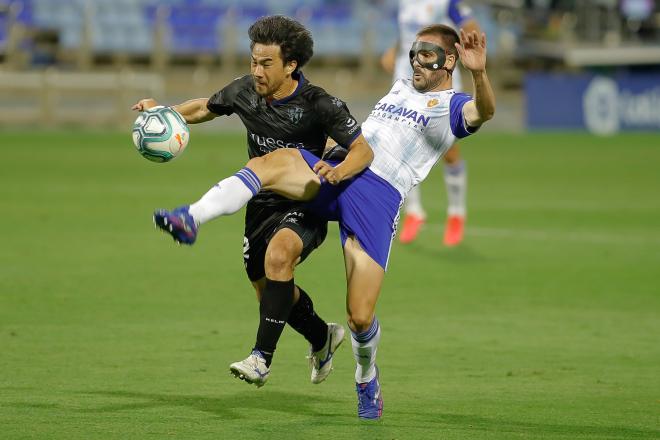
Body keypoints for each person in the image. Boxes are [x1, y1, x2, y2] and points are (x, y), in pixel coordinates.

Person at [156, 25, 494, 420]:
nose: (416, 61)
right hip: (337, 168)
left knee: (360, 316)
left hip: (378, 197)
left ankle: (366, 376)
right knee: (269, 163)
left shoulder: (453, 105)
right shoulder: (402, 86)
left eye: (426, 54)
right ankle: (190, 217)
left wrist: (480, 74)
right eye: (413, 52)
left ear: (449, 61)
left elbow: (483, 112)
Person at [133, 16, 374, 387]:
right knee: (270, 292)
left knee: (280, 258)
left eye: (266, 63)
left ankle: (261, 358)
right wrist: (162, 114)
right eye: (253, 61)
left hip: (305, 200)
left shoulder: (319, 103)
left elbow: (363, 151)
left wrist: (339, 172)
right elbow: (204, 107)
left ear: (290, 65)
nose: (256, 71)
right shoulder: (245, 91)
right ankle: (322, 337)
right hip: (259, 201)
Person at [380, 0, 482, 246]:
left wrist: (468, 46)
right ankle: (414, 211)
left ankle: (457, 213)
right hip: (408, 75)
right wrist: (394, 50)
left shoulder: (447, 2)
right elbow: (410, 34)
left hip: (439, 78)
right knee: (400, 144)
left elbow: (470, 26)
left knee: (448, 148)